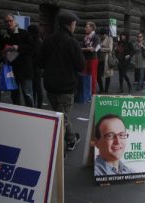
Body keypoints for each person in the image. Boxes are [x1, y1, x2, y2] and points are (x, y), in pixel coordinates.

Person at [38, 11, 86, 151]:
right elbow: (81, 66)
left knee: (61, 117)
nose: (75, 26)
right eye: (75, 24)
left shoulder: (48, 40)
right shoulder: (71, 42)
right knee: (61, 119)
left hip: (51, 86)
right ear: (71, 24)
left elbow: (39, 62)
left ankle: (71, 139)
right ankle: (58, 151)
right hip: (66, 87)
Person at [0, 13, 34, 107]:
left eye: (10, 21)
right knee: (14, 94)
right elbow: (0, 51)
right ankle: (17, 112)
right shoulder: (4, 36)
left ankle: (31, 113)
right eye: (6, 21)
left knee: (27, 93)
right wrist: (3, 53)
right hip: (12, 70)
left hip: (24, 69)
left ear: (15, 21)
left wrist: (17, 47)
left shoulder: (24, 33)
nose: (9, 23)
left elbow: (32, 48)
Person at [81, 22, 100, 95]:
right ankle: (86, 92)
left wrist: (84, 49)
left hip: (93, 59)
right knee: (84, 75)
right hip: (85, 58)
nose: (85, 28)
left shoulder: (95, 37)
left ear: (91, 28)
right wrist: (87, 49)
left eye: (87, 27)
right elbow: (83, 48)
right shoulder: (85, 37)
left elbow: (92, 49)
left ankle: (92, 93)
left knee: (92, 76)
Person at [27, 24, 43, 108]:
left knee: (36, 87)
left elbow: (34, 55)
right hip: (37, 67)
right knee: (36, 87)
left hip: (34, 67)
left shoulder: (36, 42)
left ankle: (37, 105)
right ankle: (37, 105)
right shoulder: (39, 40)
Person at [97, 27, 113, 94]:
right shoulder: (100, 39)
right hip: (100, 59)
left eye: (103, 34)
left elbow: (110, 49)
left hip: (107, 59)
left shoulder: (110, 39)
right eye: (101, 34)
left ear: (106, 34)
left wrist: (101, 49)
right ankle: (101, 88)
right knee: (98, 75)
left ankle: (106, 90)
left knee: (107, 75)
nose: (101, 36)